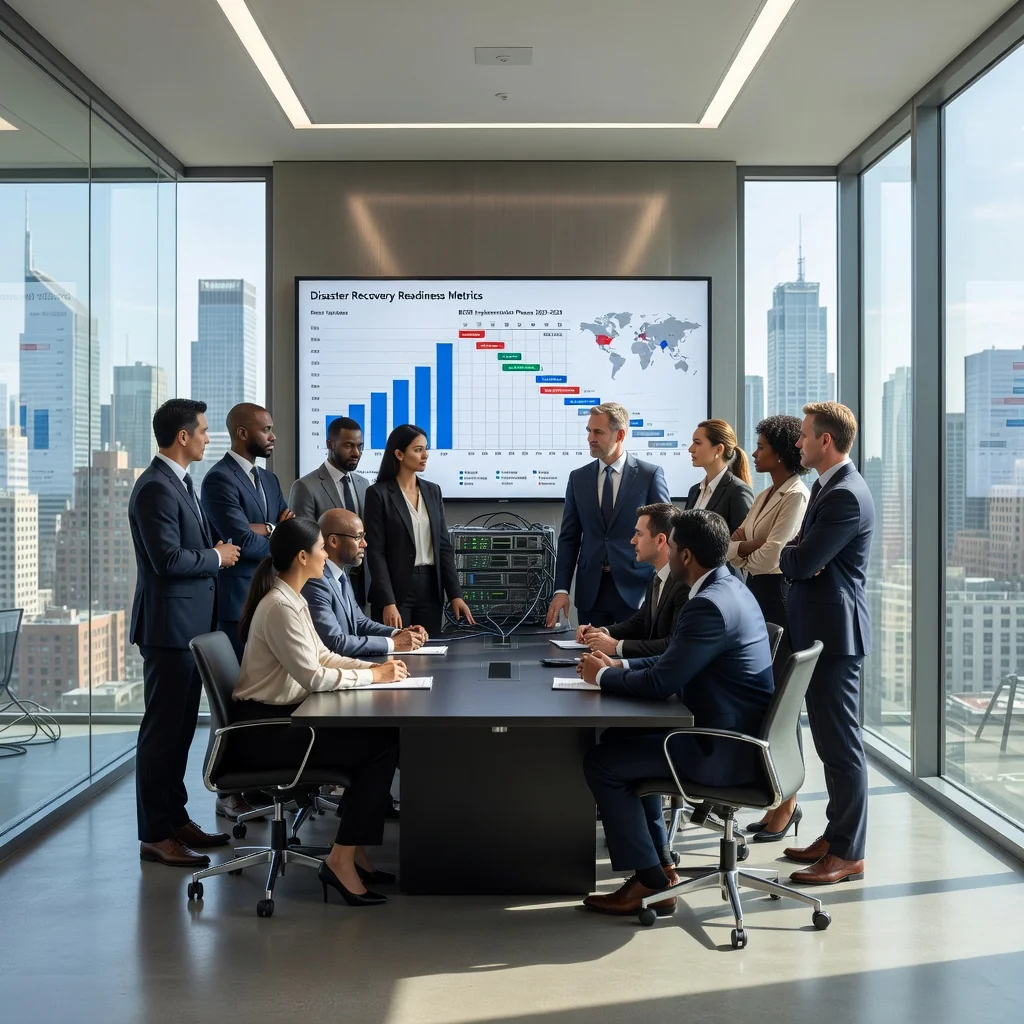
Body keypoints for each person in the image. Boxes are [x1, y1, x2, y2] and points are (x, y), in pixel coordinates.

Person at [576, 509, 774, 916]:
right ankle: (661, 865)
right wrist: (618, 667)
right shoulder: (729, 589)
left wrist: (602, 678)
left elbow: (662, 682)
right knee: (618, 740)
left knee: (602, 762)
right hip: (735, 737)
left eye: (676, 547)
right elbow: (674, 665)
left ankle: (651, 883)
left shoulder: (707, 606)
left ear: (684, 555)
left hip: (721, 751)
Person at [233, 517, 408, 906]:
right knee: (381, 748)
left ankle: (353, 849)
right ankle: (342, 859)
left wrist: (377, 671)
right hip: (268, 733)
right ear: (302, 557)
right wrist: (374, 678)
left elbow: (324, 656)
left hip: (288, 720)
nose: (325, 554)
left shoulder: (291, 599)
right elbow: (314, 676)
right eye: (319, 549)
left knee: (383, 739)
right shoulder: (279, 606)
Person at [129, 399, 241, 868]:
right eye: (204, 431)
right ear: (183, 437)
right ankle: (156, 835)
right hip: (169, 630)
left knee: (179, 734)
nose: (208, 438)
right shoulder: (155, 487)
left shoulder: (180, 483)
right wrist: (217, 557)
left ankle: (175, 820)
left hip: (189, 629)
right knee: (161, 734)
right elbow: (168, 561)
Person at [779, 402, 874, 886]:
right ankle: (836, 836)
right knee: (829, 743)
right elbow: (798, 555)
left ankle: (848, 853)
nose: (798, 442)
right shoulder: (828, 487)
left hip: (836, 636)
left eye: (804, 435)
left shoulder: (845, 496)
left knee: (841, 747)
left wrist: (795, 554)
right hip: (819, 627)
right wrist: (797, 553)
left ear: (826, 441)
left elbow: (796, 561)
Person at [727, 415, 810, 843]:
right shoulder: (764, 495)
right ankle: (778, 798)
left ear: (779, 452)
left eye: (760, 446)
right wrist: (746, 548)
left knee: (781, 703)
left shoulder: (796, 496)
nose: (753, 453)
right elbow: (733, 546)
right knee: (765, 699)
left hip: (776, 598)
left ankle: (788, 803)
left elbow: (771, 557)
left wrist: (746, 549)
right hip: (755, 598)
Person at [546, 403, 671, 629]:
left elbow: (665, 533)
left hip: (636, 589)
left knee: (631, 660)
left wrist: (667, 584)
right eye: (589, 431)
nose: (590, 438)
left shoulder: (649, 475)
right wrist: (561, 589)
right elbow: (569, 538)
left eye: (598, 432)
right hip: (591, 592)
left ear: (620, 434)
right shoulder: (578, 478)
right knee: (590, 658)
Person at [201, 403, 293, 662]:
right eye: (266, 430)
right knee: (241, 689)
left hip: (275, 597)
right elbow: (243, 542)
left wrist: (265, 529)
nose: (273, 437)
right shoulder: (219, 479)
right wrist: (276, 531)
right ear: (242, 433)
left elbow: (291, 530)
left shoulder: (270, 479)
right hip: (238, 606)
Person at [363, 424, 474, 633]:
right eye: (418, 449)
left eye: (426, 448)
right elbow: (375, 552)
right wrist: (388, 601)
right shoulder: (377, 494)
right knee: (399, 654)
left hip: (431, 589)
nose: (425, 455)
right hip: (395, 591)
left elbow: (443, 546)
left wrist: (455, 594)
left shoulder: (433, 491)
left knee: (432, 654)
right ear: (399, 454)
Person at [303, 508, 429, 657]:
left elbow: (360, 623)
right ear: (333, 541)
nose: (365, 544)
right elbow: (335, 642)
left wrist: (399, 633)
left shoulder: (341, 574)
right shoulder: (316, 582)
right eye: (358, 537)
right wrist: (394, 643)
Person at [577, 502, 688, 658]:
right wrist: (601, 632)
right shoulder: (657, 576)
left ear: (660, 540)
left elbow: (673, 644)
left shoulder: (685, 585)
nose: (632, 540)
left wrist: (616, 647)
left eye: (639, 534)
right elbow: (640, 622)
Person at [289, 416, 370, 606]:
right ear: (330, 444)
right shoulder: (305, 486)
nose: (356, 452)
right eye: (348, 446)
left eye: (360, 446)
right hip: (323, 582)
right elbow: (304, 542)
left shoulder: (363, 485)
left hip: (360, 580)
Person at [684, 419, 754, 532]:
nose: (690, 449)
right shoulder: (694, 491)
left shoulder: (738, 491)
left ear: (718, 449)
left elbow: (741, 541)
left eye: (697, 443)